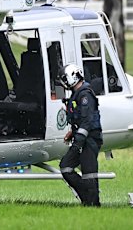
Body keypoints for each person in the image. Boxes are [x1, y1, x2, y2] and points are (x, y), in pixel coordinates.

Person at [58, 63, 103, 206]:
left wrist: (78, 143)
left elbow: (87, 122)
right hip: (81, 139)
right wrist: (72, 133)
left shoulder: (85, 95)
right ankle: (87, 198)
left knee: (89, 173)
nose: (63, 83)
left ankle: (93, 203)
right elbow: (81, 120)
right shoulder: (77, 95)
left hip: (89, 140)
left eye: (64, 79)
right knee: (66, 167)